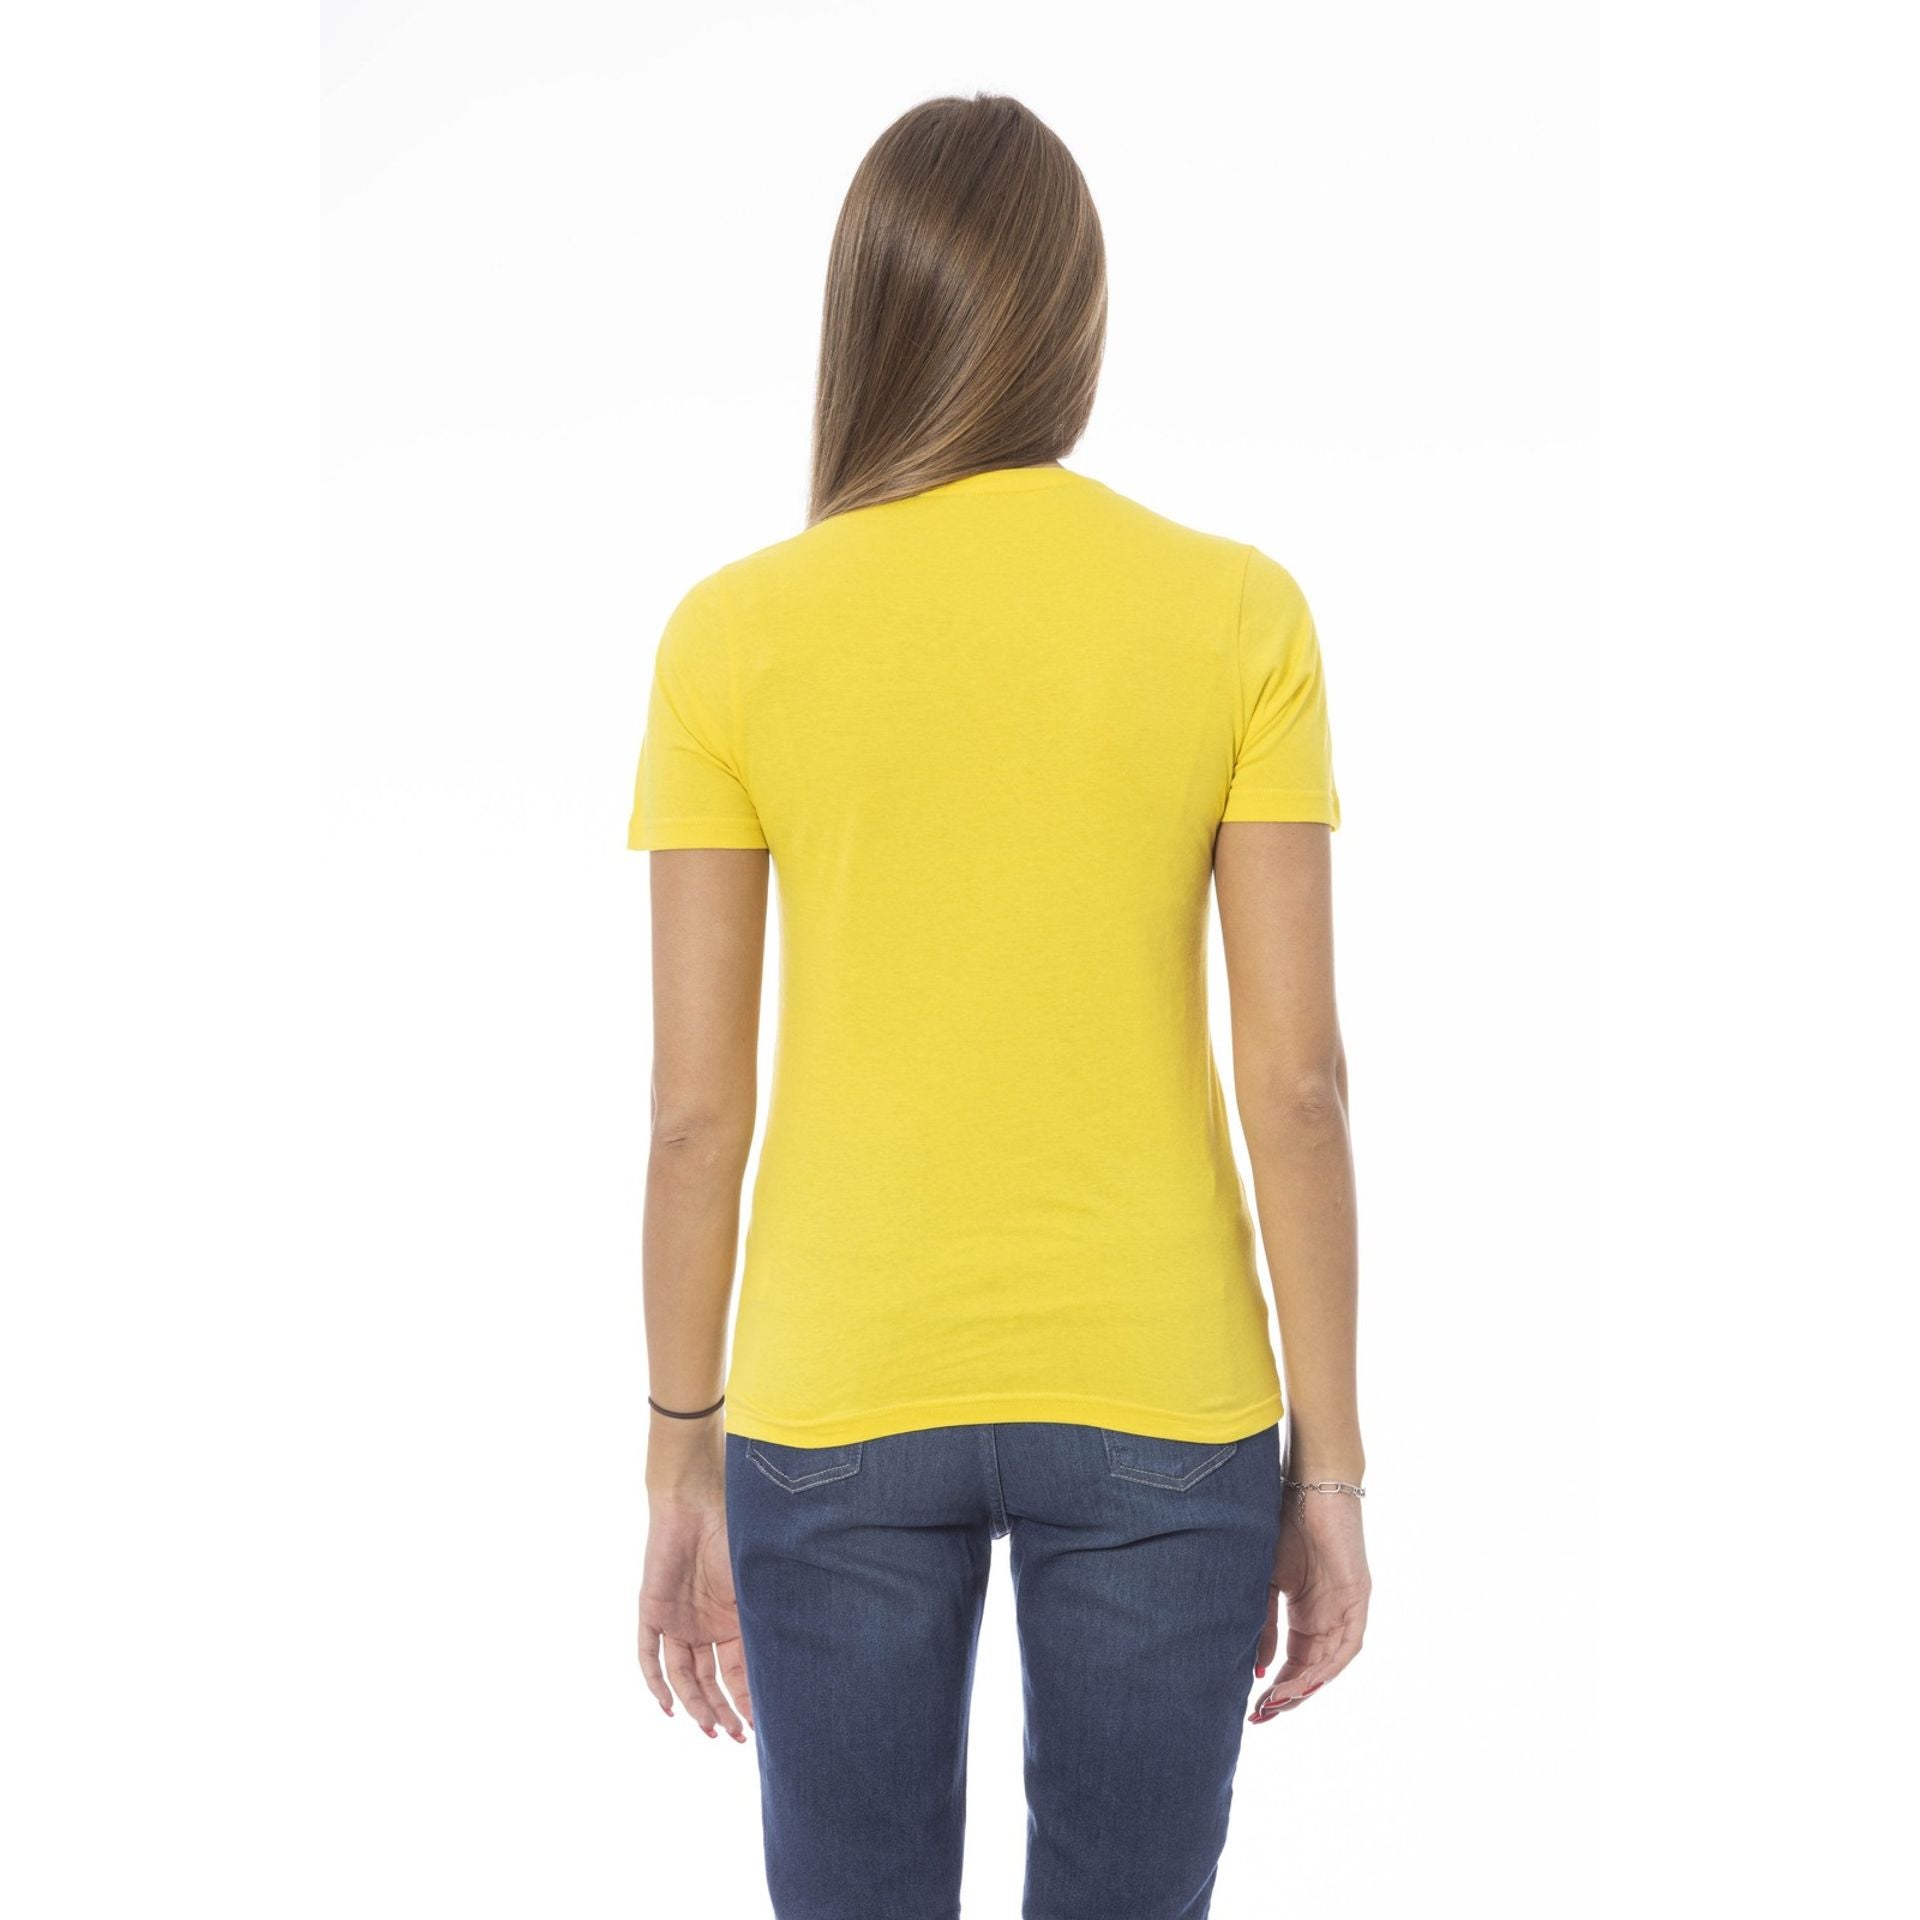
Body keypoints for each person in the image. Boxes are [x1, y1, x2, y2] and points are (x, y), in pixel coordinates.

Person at [628, 91, 1368, 1920]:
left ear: (864, 315)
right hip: (1164, 1399)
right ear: (1076, 319)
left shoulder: (732, 634)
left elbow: (694, 1120)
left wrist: (677, 1449)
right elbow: (1299, 1087)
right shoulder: (1238, 614)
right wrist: (1332, 1473)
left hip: (833, 1394)